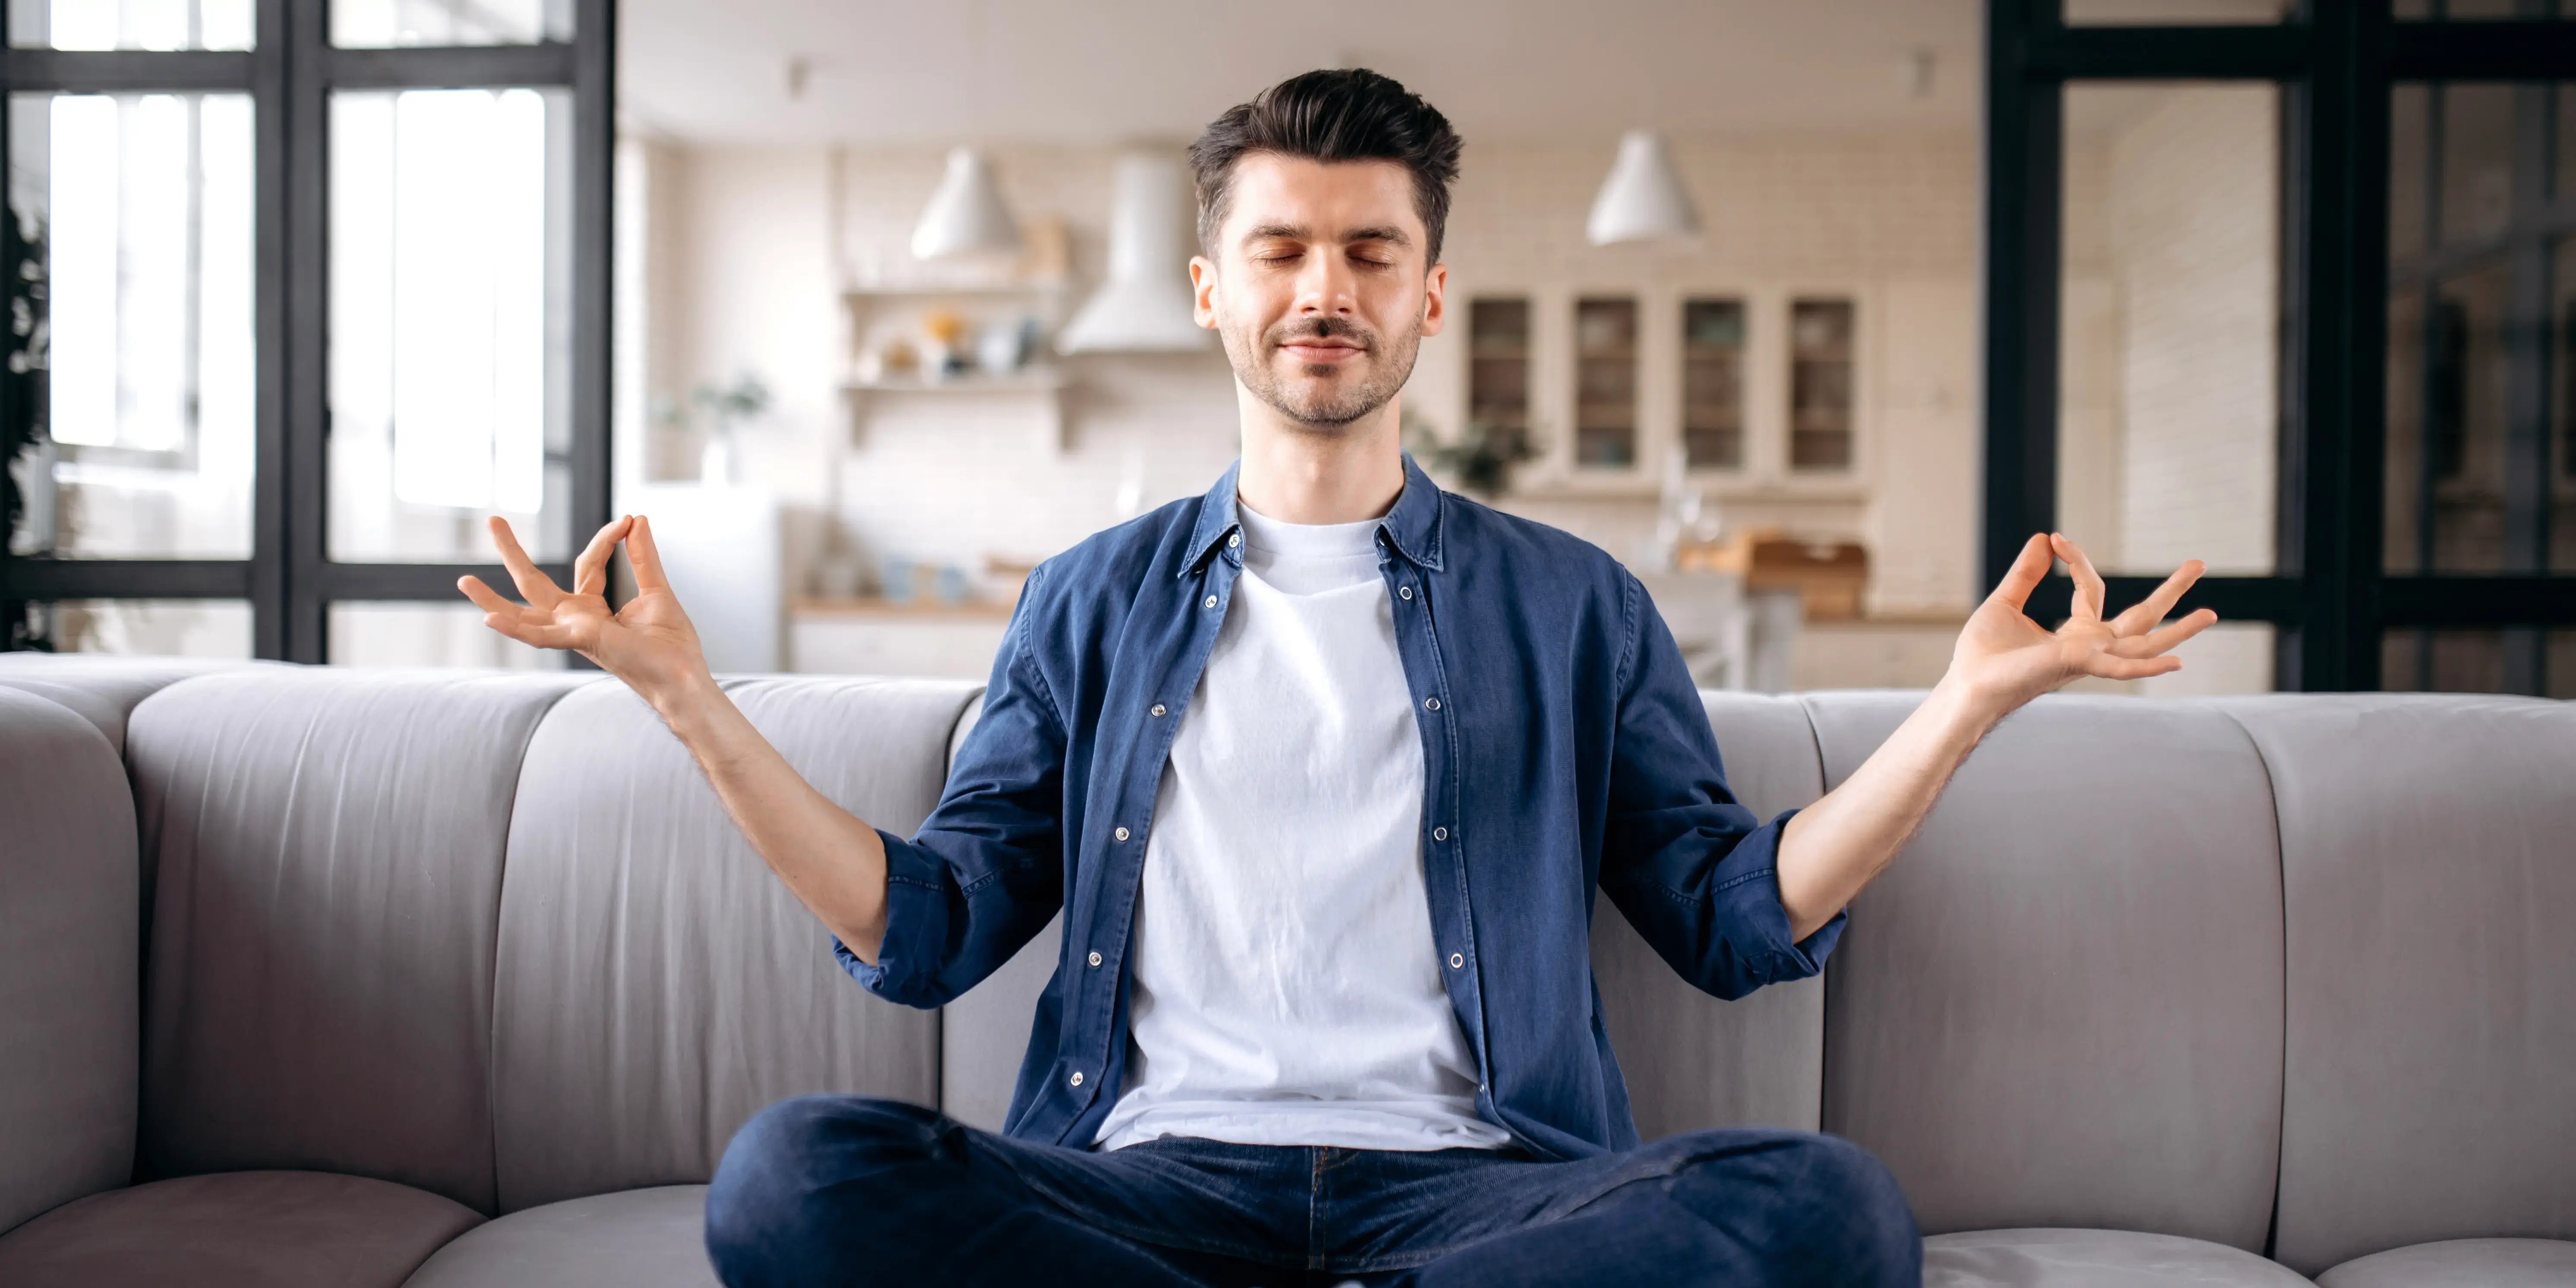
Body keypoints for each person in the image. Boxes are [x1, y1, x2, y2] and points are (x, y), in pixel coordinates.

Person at [460, 68, 2215, 1288]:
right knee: (795, 1172)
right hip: (1142, 1189)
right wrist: (687, 693)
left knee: (1824, 1209)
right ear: (1214, 289)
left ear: (1430, 295)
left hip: (1486, 1201)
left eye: (1371, 251)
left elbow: (1732, 914)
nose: (1327, 288)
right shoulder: (1090, 599)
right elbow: (928, 930)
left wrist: (1963, 700)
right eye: (1284, 251)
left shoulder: (1573, 603)